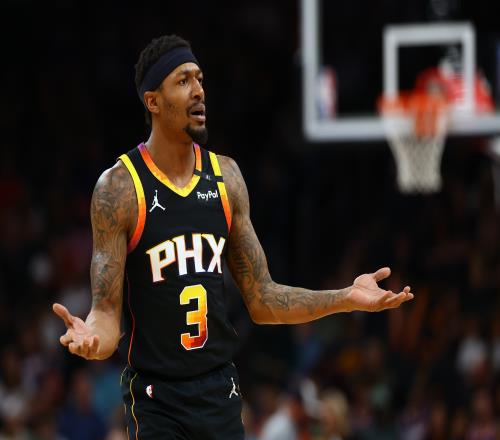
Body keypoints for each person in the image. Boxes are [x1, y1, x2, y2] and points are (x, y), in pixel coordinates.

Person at [52, 34, 414, 439]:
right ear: (152, 101)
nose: (198, 90)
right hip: (156, 399)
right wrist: (93, 340)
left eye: (200, 79)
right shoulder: (119, 188)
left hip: (219, 391)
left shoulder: (226, 177)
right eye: (183, 80)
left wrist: (345, 298)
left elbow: (263, 299)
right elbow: (106, 314)